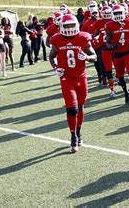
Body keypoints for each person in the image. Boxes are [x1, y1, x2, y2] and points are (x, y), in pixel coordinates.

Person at [49, 14, 97, 153]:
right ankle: (73, 136)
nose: (69, 28)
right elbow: (51, 56)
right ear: (61, 27)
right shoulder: (57, 39)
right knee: (72, 109)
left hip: (81, 78)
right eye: (67, 25)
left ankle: (78, 132)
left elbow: (94, 56)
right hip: (66, 79)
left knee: (80, 107)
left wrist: (87, 57)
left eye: (71, 25)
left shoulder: (83, 38)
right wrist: (55, 67)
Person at [105, 5, 129, 106]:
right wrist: (112, 46)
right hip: (117, 54)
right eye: (116, 13)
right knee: (120, 77)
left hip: (128, 52)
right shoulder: (109, 25)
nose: (118, 15)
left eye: (120, 13)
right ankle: (126, 93)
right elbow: (107, 42)